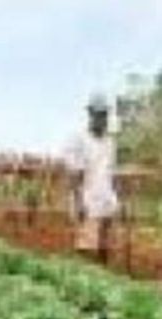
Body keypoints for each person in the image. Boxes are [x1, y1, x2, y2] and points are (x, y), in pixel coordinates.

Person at [64, 94, 119, 263]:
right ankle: (83, 284)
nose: (101, 119)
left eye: (104, 115)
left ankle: (102, 284)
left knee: (104, 248)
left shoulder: (110, 142)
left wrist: (115, 199)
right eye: (98, 114)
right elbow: (74, 174)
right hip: (87, 202)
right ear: (90, 115)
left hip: (106, 200)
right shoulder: (79, 139)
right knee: (86, 250)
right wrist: (79, 202)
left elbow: (110, 172)